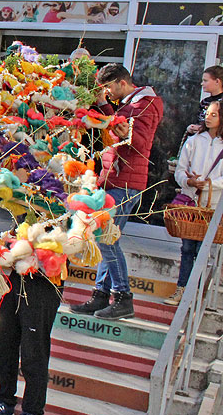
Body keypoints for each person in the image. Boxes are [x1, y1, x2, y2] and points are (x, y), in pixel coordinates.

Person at [70, 64, 163, 320]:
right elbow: (115, 124)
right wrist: (103, 106)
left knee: (106, 238)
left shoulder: (145, 104)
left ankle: (123, 297)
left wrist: (126, 132)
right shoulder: (130, 103)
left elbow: (142, 143)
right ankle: (101, 295)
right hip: (116, 179)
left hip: (126, 182)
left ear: (122, 83)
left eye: (109, 88)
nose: (108, 93)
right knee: (106, 238)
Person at [0, 270, 62, 415]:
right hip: (16, 278)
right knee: (4, 342)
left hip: (43, 282)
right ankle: (4, 400)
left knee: (33, 350)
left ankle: (33, 413)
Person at [169, 100, 223, 306]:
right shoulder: (194, 141)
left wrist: (208, 184)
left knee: (203, 250)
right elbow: (180, 170)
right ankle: (182, 289)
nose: (208, 118)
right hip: (191, 201)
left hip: (213, 205)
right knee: (187, 248)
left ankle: (196, 293)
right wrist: (189, 181)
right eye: (207, 114)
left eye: (214, 115)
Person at [186, 65, 223, 135]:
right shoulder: (204, 102)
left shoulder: (221, 103)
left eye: (205, 81)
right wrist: (192, 128)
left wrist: (203, 129)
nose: (202, 84)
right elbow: (199, 121)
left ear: (217, 81)